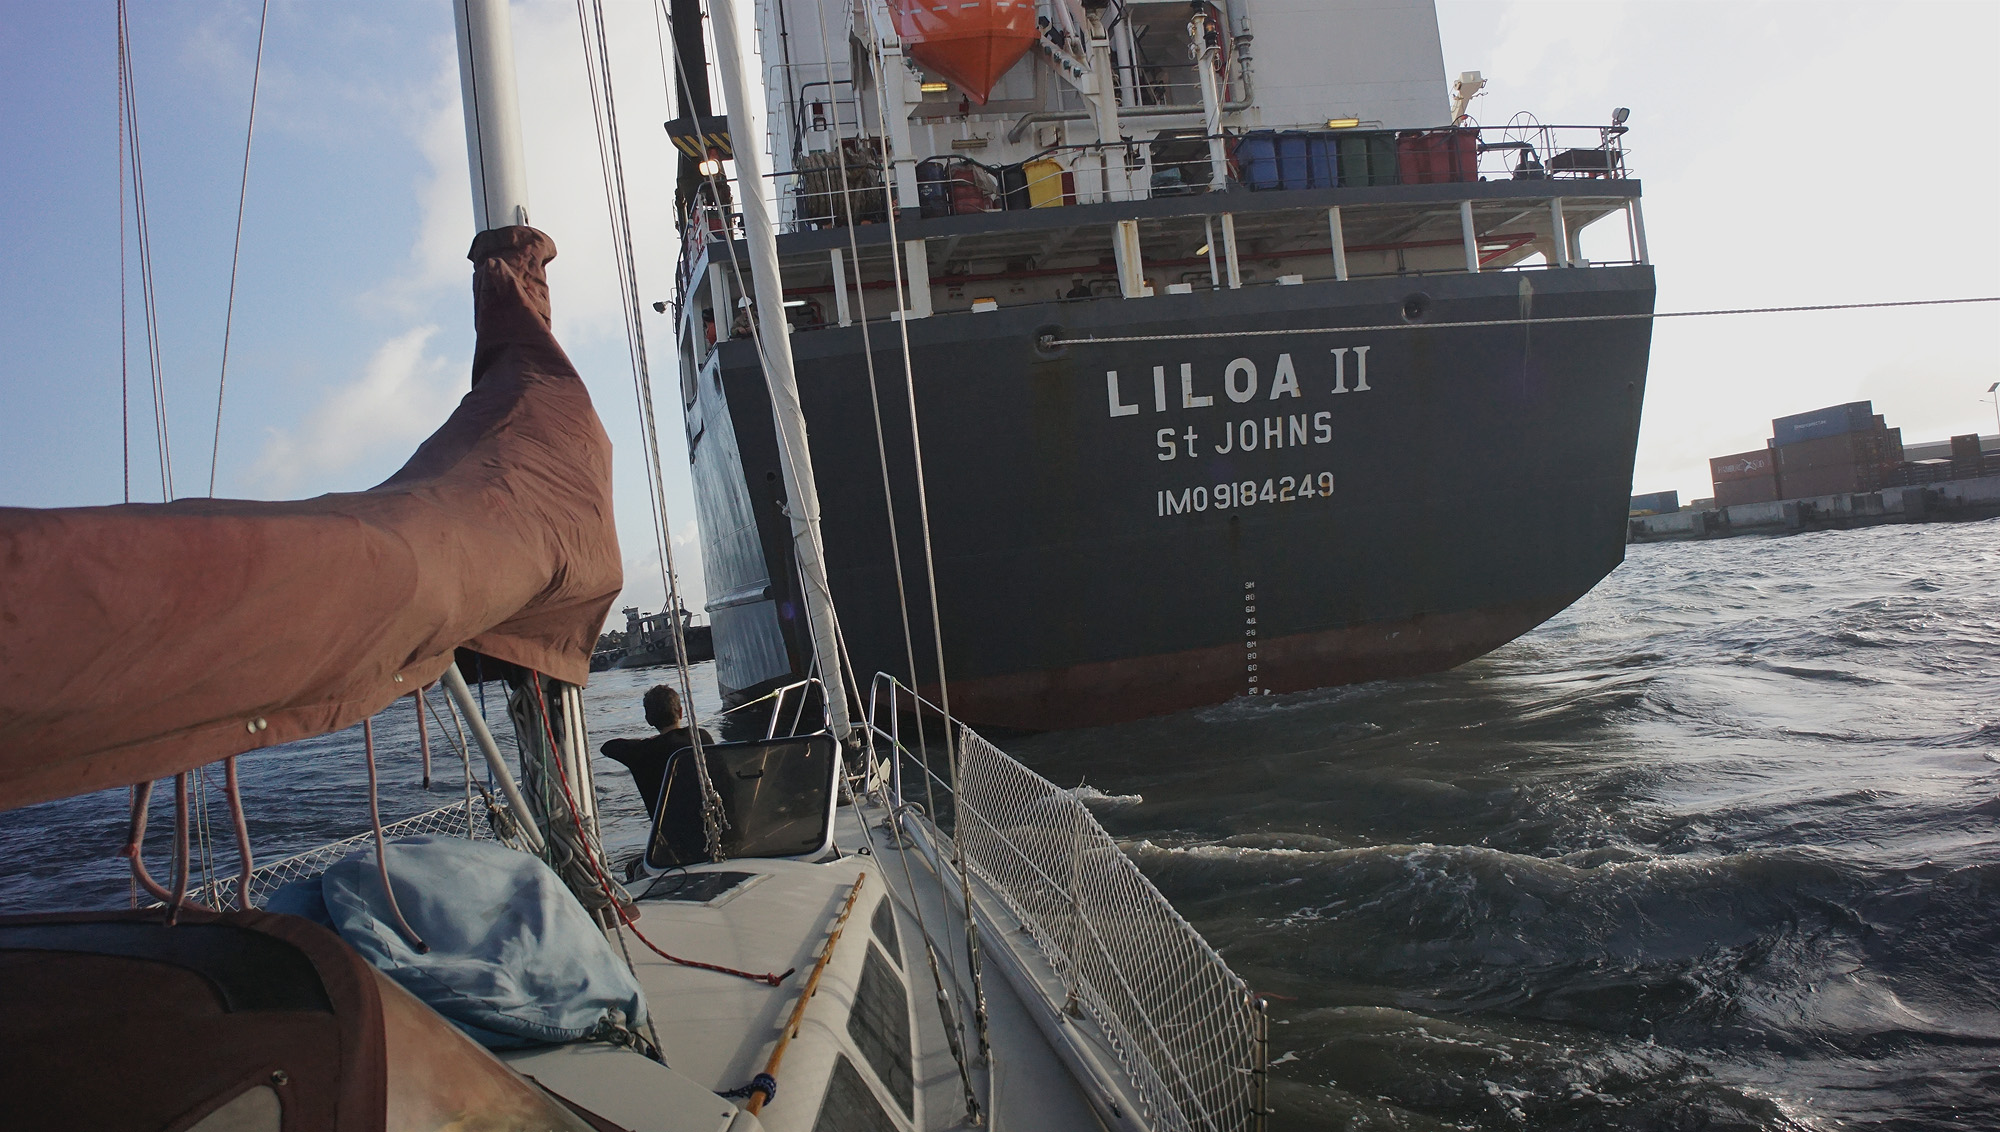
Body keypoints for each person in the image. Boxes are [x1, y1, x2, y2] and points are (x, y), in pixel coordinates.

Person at [600, 685, 716, 820]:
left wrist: (645, 741)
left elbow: (608, 747)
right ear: (680, 712)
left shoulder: (642, 751)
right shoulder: (702, 736)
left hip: (674, 834)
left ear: (648, 720)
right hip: (716, 824)